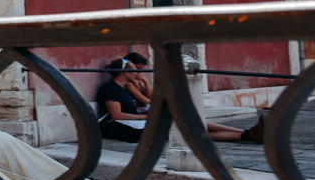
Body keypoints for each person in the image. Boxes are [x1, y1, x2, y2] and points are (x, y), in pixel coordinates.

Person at [94, 55, 247, 144]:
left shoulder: (123, 88)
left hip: (138, 124)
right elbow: (117, 115)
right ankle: (245, 134)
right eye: (134, 70)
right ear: (123, 72)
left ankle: (244, 133)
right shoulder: (110, 89)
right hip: (129, 129)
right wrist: (146, 115)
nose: (137, 73)